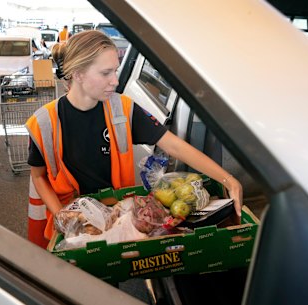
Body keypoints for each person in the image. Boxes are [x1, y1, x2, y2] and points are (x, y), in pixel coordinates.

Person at [25, 30, 243, 244]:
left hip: (116, 221)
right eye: (106, 73)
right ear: (78, 74)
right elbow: (38, 176)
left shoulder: (122, 109)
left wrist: (228, 180)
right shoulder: (44, 122)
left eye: (116, 71)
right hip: (75, 225)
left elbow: (174, 146)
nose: (115, 81)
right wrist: (62, 216)